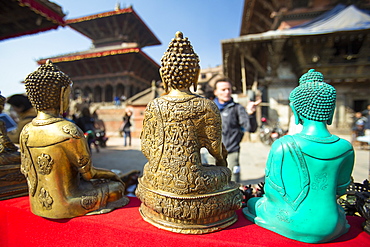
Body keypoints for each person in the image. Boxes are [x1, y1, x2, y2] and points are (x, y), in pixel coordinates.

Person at [136, 31, 241, 234]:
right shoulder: (205, 106)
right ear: (195, 74)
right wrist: (222, 162)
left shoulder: (154, 105)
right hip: (193, 181)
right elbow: (215, 149)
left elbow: (146, 147)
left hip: (156, 183)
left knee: (147, 172)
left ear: (163, 74)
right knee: (225, 174)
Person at [244, 69, 354, 243]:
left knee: (253, 204)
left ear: (295, 110)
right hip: (333, 223)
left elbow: (272, 192)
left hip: (293, 221)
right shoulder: (346, 148)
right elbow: (341, 190)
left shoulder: (283, 145)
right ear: (331, 110)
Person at [19, 60, 129, 219]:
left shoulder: (26, 131)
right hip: (68, 202)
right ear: (62, 94)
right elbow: (89, 174)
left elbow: (26, 171)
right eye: (69, 95)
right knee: (116, 187)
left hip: (37, 202)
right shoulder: (68, 131)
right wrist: (111, 174)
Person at [213, 78, 258, 182]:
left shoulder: (237, 108)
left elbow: (250, 128)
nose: (227, 92)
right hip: (212, 154)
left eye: (229, 89)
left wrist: (251, 114)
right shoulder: (209, 108)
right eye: (223, 89)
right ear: (216, 92)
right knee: (214, 184)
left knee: (232, 183)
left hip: (231, 152)